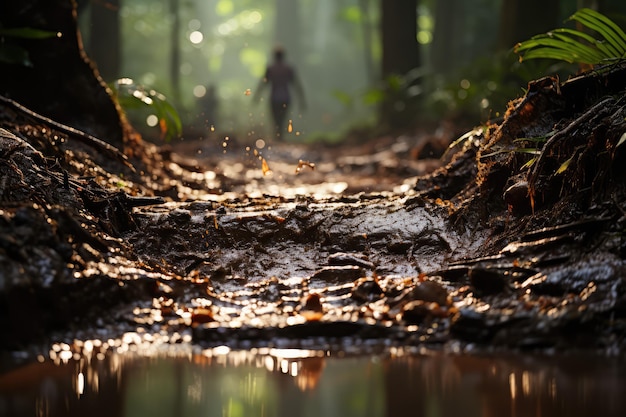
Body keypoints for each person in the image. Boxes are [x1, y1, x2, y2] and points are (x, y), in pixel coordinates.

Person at [255, 46, 306, 139]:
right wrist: (302, 100)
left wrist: (257, 96)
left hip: (274, 98)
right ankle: (280, 136)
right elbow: (297, 85)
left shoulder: (271, 69)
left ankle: (278, 136)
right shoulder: (288, 69)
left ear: (274, 56)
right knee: (282, 119)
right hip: (285, 98)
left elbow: (263, 84)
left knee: (275, 119)